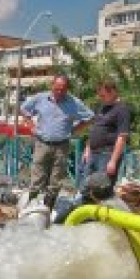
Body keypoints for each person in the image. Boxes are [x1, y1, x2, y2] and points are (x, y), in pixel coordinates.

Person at [20, 74, 94, 210]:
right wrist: (31, 125)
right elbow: (24, 109)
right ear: (52, 86)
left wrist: (74, 130)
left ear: (67, 89)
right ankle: (31, 206)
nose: (59, 92)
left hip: (62, 145)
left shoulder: (73, 102)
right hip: (42, 142)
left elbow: (90, 117)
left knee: (56, 180)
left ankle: (48, 208)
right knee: (37, 177)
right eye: (57, 89)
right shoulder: (41, 98)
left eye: (63, 89)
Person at [82, 80, 132, 184]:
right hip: (92, 154)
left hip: (107, 155)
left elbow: (122, 137)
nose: (101, 98)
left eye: (103, 95)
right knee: (85, 186)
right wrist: (87, 149)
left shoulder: (122, 109)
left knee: (101, 189)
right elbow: (94, 129)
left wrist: (113, 161)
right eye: (99, 95)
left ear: (113, 92)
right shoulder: (101, 108)